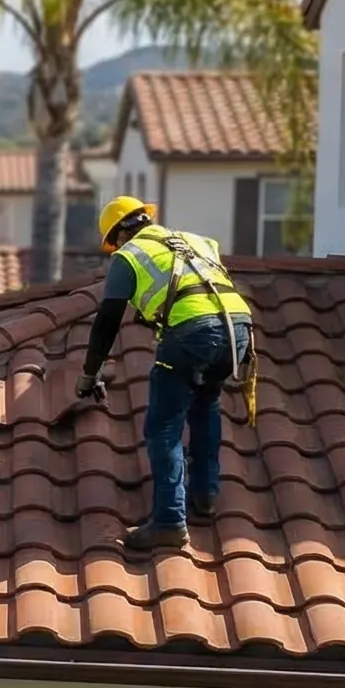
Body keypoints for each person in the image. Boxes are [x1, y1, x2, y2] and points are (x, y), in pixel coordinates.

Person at [75, 195, 255, 553]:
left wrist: (88, 374)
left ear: (118, 236)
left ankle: (170, 521)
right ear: (146, 220)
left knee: (164, 427)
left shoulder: (128, 257)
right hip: (238, 328)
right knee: (206, 404)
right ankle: (205, 496)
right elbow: (199, 289)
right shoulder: (197, 241)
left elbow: (107, 322)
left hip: (194, 333)